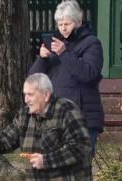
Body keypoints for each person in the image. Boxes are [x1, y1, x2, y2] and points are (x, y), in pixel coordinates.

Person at [29, 0, 103, 157]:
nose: (63, 28)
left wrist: (64, 53)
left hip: (83, 116)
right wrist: (42, 59)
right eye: (60, 24)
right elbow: (33, 79)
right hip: (56, 117)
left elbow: (88, 74)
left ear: (78, 22)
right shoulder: (54, 44)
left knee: (80, 167)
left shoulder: (92, 43)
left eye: (67, 24)